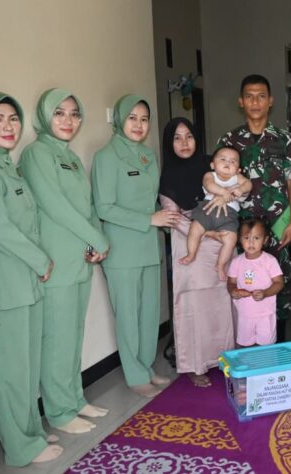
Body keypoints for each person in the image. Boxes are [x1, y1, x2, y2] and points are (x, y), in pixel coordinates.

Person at [0, 91, 63, 465]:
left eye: (13, 118)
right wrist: (41, 260)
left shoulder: (6, 164)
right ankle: (21, 447)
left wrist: (37, 263)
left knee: (27, 367)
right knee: (10, 372)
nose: (8, 126)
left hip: (27, 281)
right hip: (7, 283)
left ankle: (31, 431)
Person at [20, 89, 110, 434]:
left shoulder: (69, 156)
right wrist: (97, 238)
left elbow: (86, 206)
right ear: (44, 116)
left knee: (73, 334)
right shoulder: (36, 153)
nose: (68, 120)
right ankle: (58, 411)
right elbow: (54, 204)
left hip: (79, 259)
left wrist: (97, 240)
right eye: (59, 113)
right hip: (55, 261)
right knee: (56, 338)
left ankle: (74, 398)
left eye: (74, 113)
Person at [91, 94, 178, 399]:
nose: (139, 125)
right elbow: (104, 207)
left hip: (149, 245)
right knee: (128, 315)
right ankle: (134, 374)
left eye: (144, 119)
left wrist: (165, 218)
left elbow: (151, 199)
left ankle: (145, 366)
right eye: (132, 118)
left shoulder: (147, 156)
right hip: (122, 249)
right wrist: (149, 219)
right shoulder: (106, 157)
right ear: (119, 120)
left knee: (149, 313)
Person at [216, 74, 291, 340]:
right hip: (243, 229)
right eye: (250, 96)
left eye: (261, 96)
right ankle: (247, 345)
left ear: (270, 101)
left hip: (277, 226)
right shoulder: (229, 140)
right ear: (241, 101)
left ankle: (278, 347)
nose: (255, 102)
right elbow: (218, 181)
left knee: (280, 284)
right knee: (245, 283)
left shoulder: (284, 139)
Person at [159, 118, 235, 388]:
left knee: (221, 301)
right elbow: (172, 216)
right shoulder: (167, 176)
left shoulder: (211, 166)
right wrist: (204, 231)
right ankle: (194, 364)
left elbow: (232, 191)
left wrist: (225, 198)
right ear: (169, 143)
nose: (184, 143)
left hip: (220, 242)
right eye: (177, 138)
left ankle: (224, 357)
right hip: (189, 244)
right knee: (193, 306)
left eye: (189, 136)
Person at [180, 146, 252, 280]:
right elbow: (209, 185)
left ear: (238, 170)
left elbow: (248, 184)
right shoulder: (210, 175)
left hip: (229, 216)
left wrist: (242, 189)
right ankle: (191, 254)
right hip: (207, 210)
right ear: (213, 165)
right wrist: (224, 192)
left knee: (231, 240)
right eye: (223, 159)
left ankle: (220, 265)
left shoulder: (237, 178)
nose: (227, 163)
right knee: (194, 228)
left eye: (233, 161)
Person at [227, 218, 285, 347]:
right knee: (245, 347)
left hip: (265, 314)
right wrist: (233, 291)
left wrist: (266, 293)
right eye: (246, 238)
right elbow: (231, 282)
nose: (251, 242)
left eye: (256, 238)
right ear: (240, 239)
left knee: (266, 347)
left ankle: (267, 360)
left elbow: (279, 283)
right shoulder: (236, 262)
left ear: (265, 240)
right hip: (244, 314)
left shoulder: (270, 261)